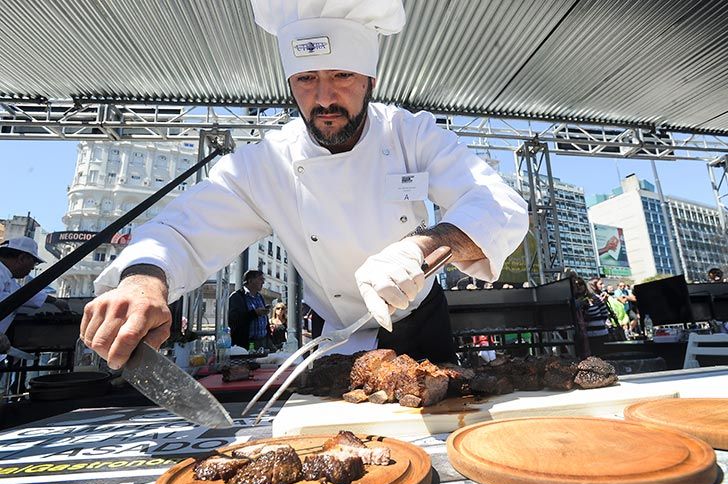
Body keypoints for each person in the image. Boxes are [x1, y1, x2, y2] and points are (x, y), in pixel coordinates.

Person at [80, 0, 528, 370]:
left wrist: (419, 247)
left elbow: (497, 205)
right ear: (291, 84)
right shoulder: (266, 163)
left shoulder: (411, 134)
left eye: (342, 76)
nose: (325, 98)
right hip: (334, 335)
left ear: (372, 79)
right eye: (307, 79)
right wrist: (141, 285)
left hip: (421, 323)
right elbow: (179, 230)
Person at [0, 237, 69, 344]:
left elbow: (22, 295)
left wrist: (54, 301)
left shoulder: (8, 278)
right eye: (34, 262)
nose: (32, 268)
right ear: (22, 258)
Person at [228, 270, 273, 351]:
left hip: (263, 341)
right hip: (246, 344)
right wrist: (254, 313)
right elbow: (233, 320)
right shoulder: (237, 297)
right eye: (260, 279)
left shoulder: (260, 297)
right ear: (250, 280)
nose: (263, 282)